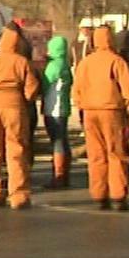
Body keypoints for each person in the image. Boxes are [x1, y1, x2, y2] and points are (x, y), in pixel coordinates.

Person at [73, 25, 129, 210]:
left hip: (89, 112)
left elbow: (77, 90)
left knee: (96, 155)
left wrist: (82, 106)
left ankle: (99, 194)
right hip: (112, 111)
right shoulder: (116, 61)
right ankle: (118, 195)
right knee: (116, 153)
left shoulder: (85, 62)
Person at [0, 23, 40, 209]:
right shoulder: (22, 62)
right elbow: (31, 89)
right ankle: (18, 195)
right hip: (15, 107)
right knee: (17, 152)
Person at [41, 35, 73, 189]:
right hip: (64, 107)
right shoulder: (65, 64)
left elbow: (45, 84)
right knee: (63, 140)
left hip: (53, 107)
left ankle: (58, 175)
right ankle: (64, 173)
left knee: (57, 142)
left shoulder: (54, 66)